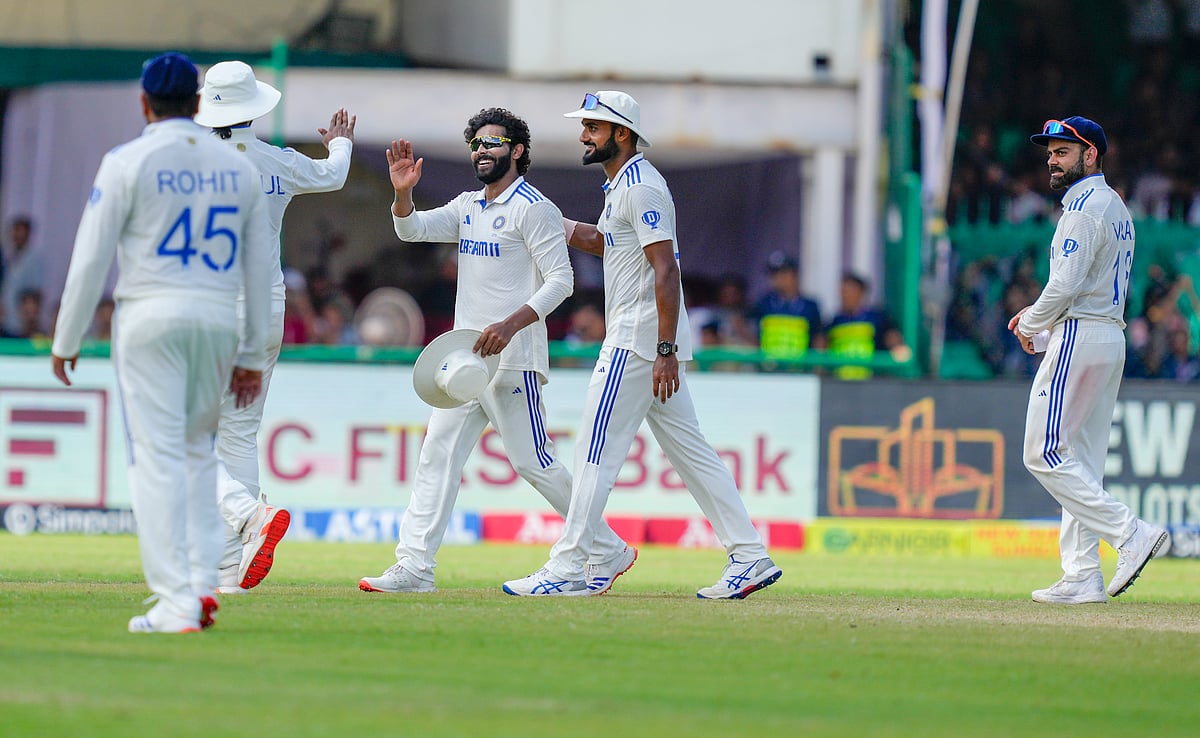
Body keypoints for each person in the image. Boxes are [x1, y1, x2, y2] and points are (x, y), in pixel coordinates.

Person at [503, 91, 782, 599]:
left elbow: (666, 268)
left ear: (622, 134)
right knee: (692, 453)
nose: (584, 135)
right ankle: (750, 556)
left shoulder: (642, 187)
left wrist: (665, 350)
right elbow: (605, 242)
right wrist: (555, 224)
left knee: (593, 455)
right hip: (647, 344)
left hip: (637, 343)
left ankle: (569, 568)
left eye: (593, 127)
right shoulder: (623, 185)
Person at [359, 107, 634, 594]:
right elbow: (412, 230)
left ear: (517, 150)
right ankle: (415, 567)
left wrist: (510, 325)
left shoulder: (535, 208)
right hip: (465, 363)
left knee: (534, 463)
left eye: (492, 143)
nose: (482, 152)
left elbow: (562, 281)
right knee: (436, 455)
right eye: (476, 144)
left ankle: (605, 548)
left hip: (513, 359)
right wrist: (402, 196)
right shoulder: (468, 206)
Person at [50, 52, 273, 633]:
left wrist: (66, 336)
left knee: (154, 460)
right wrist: (251, 354)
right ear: (198, 104)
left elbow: (91, 255)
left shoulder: (127, 160)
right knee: (200, 453)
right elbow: (258, 267)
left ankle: (177, 599)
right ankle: (199, 588)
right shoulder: (238, 170)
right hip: (219, 319)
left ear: (145, 103)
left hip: (150, 316)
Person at [194, 60, 356, 594]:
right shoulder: (275, 161)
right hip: (266, 307)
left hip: (213, 305)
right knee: (238, 433)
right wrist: (339, 142)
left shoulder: (187, 165)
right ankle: (228, 566)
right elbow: (332, 175)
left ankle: (247, 516)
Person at [1010, 116, 1168, 604]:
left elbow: (1067, 283)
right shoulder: (1115, 205)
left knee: (1042, 451)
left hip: (1079, 333)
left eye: (1063, 151)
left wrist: (1033, 323)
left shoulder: (1084, 207)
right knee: (1081, 461)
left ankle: (1130, 533)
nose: (1052, 161)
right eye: (1050, 152)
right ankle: (1081, 574)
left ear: (1091, 155)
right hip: (1108, 336)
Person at [825, 272, 907, 379]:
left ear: (861, 292)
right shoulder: (835, 321)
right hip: (840, 380)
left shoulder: (877, 318)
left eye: (849, 291)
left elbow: (891, 336)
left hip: (871, 380)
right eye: (843, 291)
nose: (845, 296)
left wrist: (898, 347)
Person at [751, 250, 823, 357]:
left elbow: (818, 338)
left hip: (801, 369)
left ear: (794, 276)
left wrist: (817, 365)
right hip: (769, 368)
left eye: (783, 273)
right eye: (774, 274)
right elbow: (750, 331)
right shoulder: (764, 303)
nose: (777, 279)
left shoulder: (810, 306)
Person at [1, 216, 43, 337]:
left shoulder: (34, 260)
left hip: (24, 322)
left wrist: (29, 315)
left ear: (28, 235)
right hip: (7, 321)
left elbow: (36, 293)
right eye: (16, 231)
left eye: (21, 232)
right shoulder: (9, 257)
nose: (18, 236)